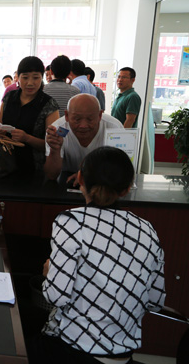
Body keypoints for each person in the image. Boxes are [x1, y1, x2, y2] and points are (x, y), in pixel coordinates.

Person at [36, 146, 165, 363]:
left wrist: (49, 273)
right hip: (123, 356)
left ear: (80, 178)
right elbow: (155, 301)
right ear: (127, 188)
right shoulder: (147, 229)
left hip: (73, 351)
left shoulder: (71, 222)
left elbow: (56, 296)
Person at [0, 56, 60, 178]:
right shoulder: (9, 97)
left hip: (34, 170)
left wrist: (27, 138)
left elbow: (52, 144)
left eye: (36, 78)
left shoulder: (49, 104)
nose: (30, 83)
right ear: (18, 77)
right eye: (25, 77)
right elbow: (0, 125)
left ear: (42, 78)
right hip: (3, 166)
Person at [44, 94, 122, 183]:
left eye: (90, 119)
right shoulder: (58, 130)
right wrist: (55, 150)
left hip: (104, 177)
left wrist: (88, 175)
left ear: (100, 115)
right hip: (68, 178)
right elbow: (51, 175)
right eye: (77, 119)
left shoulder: (114, 128)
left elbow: (121, 169)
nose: (83, 125)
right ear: (67, 116)